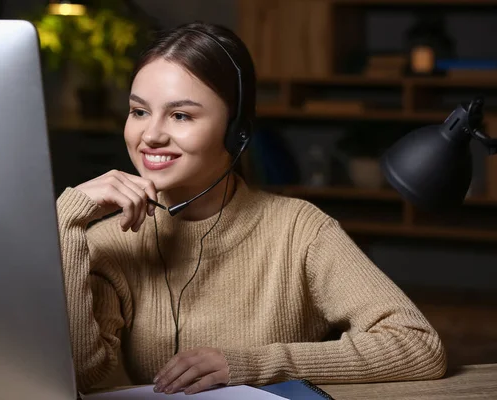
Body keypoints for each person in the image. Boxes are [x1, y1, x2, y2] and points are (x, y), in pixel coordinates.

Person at [56, 21, 447, 395]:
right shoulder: (107, 241)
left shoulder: (299, 229)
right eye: (139, 111)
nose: (151, 135)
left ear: (236, 132)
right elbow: (83, 375)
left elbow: (418, 346)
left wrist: (256, 365)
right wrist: (65, 223)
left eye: (181, 115)